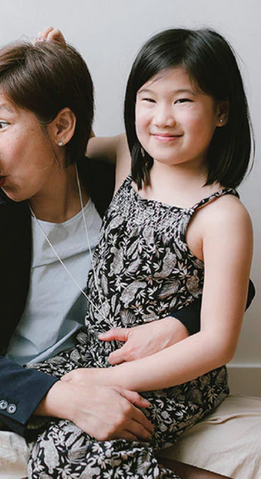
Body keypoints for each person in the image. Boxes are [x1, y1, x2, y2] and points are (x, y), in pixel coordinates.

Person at [0, 35, 236, 479]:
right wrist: (59, 395)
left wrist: (178, 324)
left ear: (62, 128)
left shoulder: (119, 180)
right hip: (29, 382)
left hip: (116, 372)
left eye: (2, 124)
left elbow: (216, 278)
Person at [28, 27, 254, 478]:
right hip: (97, 352)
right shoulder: (131, 162)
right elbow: (70, 137)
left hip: (171, 382)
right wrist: (59, 68)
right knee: (27, 406)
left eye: (183, 101)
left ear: (222, 112)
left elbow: (217, 342)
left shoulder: (222, 215)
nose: (162, 118)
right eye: (148, 99)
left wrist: (109, 381)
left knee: (65, 455)